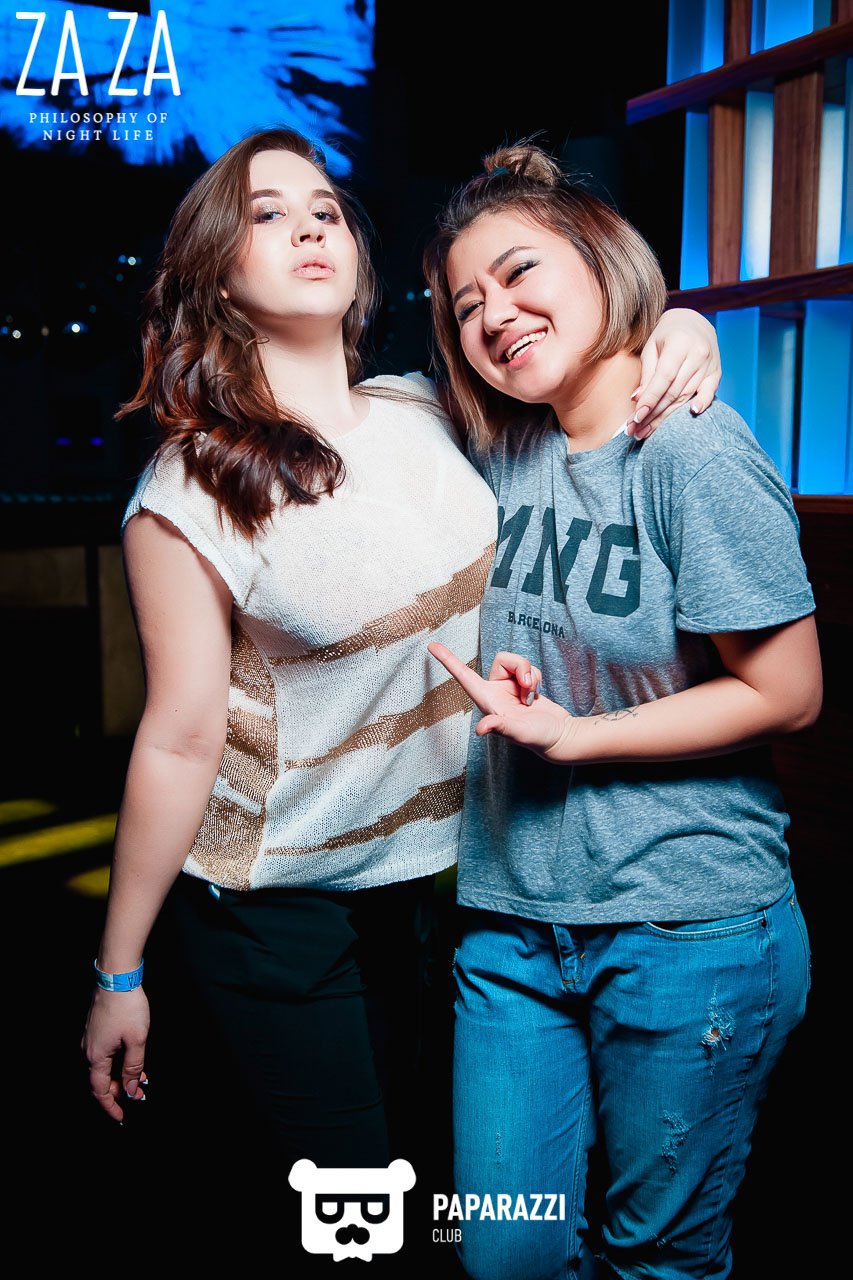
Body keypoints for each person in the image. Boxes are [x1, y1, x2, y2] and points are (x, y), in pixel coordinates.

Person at [80, 127, 720, 1195]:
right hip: (279, 900)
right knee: (354, 1205)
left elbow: (579, 376)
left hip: (447, 876)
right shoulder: (190, 487)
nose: (308, 229)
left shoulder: (427, 410)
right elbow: (180, 737)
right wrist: (118, 972)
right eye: (267, 215)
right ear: (219, 279)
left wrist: (681, 328)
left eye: (324, 210)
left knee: (449, 1177)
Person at [423, 143, 821, 1280]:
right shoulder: (497, 448)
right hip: (511, 918)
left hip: (685, 925)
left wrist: (577, 734)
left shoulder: (689, 449)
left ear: (600, 259)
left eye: (518, 273)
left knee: (659, 1260)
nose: (494, 316)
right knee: (503, 1254)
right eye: (465, 308)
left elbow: (790, 693)